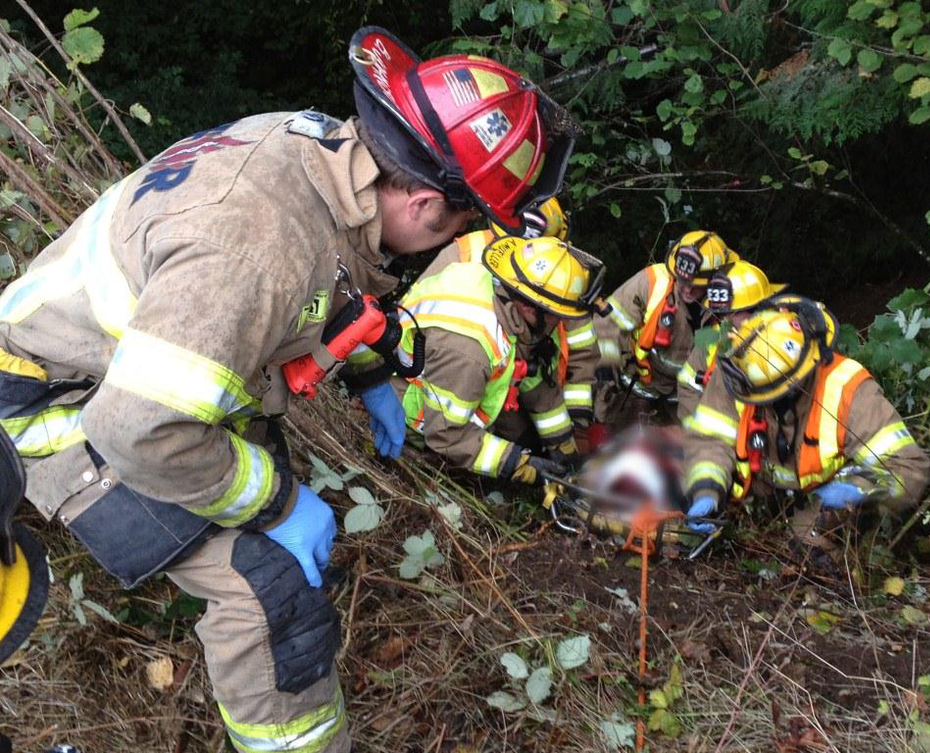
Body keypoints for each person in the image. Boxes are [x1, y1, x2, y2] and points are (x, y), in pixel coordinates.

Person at [0, 26, 577, 753]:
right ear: (430, 204)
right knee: (268, 585)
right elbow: (138, 430)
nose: (451, 240)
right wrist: (276, 501)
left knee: (255, 488)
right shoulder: (257, 247)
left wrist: (370, 367)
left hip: (135, 366)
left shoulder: (318, 152)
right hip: (66, 402)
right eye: (464, 222)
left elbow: (335, 275)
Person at [684, 300, 930, 563]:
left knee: (810, 554)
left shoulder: (850, 392)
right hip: (755, 495)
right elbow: (710, 441)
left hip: (821, 503)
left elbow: (909, 468)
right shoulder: (739, 372)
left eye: (776, 396)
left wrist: (859, 489)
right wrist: (707, 491)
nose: (768, 404)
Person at [391, 235, 606, 485]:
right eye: (556, 316)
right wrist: (518, 464)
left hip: (452, 396)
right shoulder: (470, 350)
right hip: (410, 426)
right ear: (530, 308)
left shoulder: (508, 304)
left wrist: (563, 449)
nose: (559, 324)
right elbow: (446, 436)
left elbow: (534, 381)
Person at [416, 197, 601, 447]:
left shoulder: (561, 276)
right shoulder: (465, 256)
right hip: (461, 380)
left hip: (529, 375)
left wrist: (574, 431)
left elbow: (581, 351)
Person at [594, 230, 738, 425]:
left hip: (683, 399)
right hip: (632, 384)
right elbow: (608, 324)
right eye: (683, 281)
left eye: (696, 285)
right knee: (613, 442)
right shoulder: (652, 283)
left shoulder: (727, 309)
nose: (687, 289)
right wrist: (607, 368)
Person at [677, 260, 785, 426]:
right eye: (720, 315)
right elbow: (686, 384)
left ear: (758, 308)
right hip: (728, 445)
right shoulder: (712, 336)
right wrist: (697, 434)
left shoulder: (785, 337)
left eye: (730, 314)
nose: (723, 321)